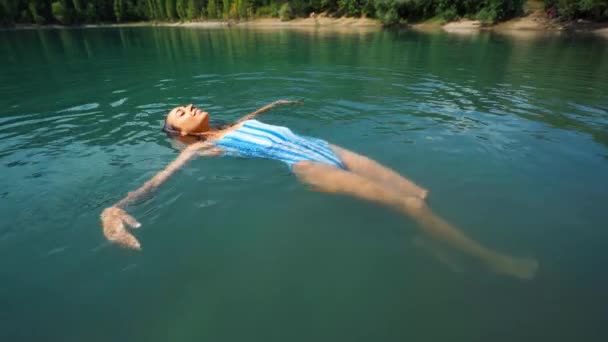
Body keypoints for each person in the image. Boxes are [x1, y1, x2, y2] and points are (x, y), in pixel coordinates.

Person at [100, 100, 538, 280]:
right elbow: (156, 183)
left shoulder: (238, 123)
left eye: (187, 104)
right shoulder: (198, 152)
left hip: (328, 149)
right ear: (181, 135)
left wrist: (278, 105)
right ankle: (492, 260)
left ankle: (428, 239)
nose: (187, 107)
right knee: (406, 203)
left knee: (418, 195)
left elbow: (260, 113)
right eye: (180, 113)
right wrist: (113, 211)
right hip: (306, 164)